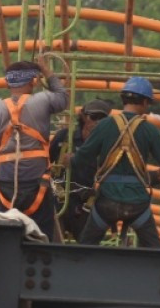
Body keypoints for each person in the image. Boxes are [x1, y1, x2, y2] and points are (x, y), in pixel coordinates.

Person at [73, 77, 160, 248]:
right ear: (144, 102)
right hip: (137, 205)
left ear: (123, 99)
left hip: (106, 202)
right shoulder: (149, 130)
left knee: (84, 249)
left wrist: (70, 159)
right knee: (156, 252)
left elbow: (81, 159)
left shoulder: (104, 126)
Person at [0, 58, 69, 241]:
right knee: (41, 236)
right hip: (36, 183)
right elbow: (63, 97)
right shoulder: (41, 100)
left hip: (5, 183)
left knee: (6, 236)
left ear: (7, 82)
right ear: (33, 81)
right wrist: (47, 72)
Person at [49, 98, 113, 239]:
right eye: (94, 117)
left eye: (102, 119)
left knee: (87, 246)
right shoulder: (65, 138)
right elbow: (45, 162)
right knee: (53, 240)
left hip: (85, 205)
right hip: (59, 199)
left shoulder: (106, 146)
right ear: (83, 116)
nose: (97, 122)